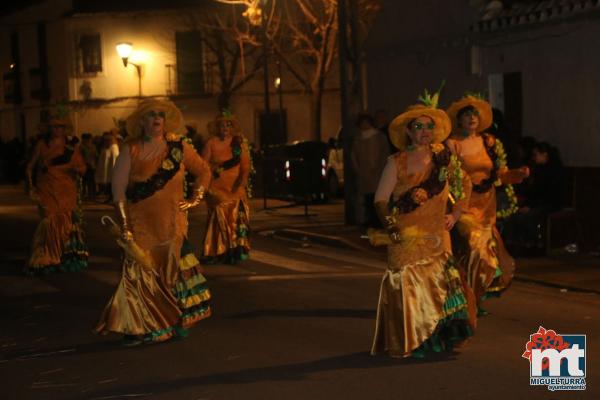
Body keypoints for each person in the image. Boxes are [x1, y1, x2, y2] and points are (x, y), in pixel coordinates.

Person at [95, 99, 212, 345]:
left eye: (160, 114)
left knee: (170, 272)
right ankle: (140, 326)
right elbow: (118, 190)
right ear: (142, 121)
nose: (157, 118)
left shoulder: (179, 146)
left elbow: (203, 171)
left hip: (173, 222)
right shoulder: (131, 149)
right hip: (141, 224)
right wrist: (125, 225)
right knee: (140, 273)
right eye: (151, 115)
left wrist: (195, 198)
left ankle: (169, 320)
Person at [370, 92, 475, 359]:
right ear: (408, 131)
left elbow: (464, 185)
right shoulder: (396, 163)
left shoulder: (443, 158)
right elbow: (381, 200)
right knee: (407, 287)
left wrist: (456, 213)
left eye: (429, 126)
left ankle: (439, 338)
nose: (425, 131)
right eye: (418, 126)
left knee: (441, 286)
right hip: (406, 236)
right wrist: (391, 227)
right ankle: (411, 339)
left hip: (438, 236)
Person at [446, 95, 529, 313]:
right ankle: (469, 298)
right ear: (459, 120)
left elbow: (500, 175)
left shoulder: (489, 142)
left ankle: (472, 296)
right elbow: (448, 177)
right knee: (475, 248)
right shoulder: (452, 144)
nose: (472, 118)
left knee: (479, 256)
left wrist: (517, 174)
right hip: (463, 205)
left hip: (486, 205)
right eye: (466, 115)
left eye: (474, 114)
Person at [25, 113, 88, 274]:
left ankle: (62, 255)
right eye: (54, 126)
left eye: (60, 126)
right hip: (46, 189)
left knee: (66, 221)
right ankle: (48, 255)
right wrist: (31, 186)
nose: (57, 130)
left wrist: (76, 168)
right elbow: (30, 167)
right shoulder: (41, 145)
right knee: (49, 220)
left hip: (66, 190)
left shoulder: (71, 147)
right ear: (49, 128)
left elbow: (82, 168)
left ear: (65, 129)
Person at [201, 110, 251, 264]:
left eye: (228, 126)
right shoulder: (211, 143)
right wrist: (213, 169)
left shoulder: (238, 143)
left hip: (234, 187)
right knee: (220, 212)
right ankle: (217, 250)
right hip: (216, 187)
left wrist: (242, 183)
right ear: (217, 128)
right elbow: (202, 165)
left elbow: (245, 166)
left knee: (236, 213)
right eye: (222, 126)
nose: (225, 128)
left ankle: (234, 249)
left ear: (232, 128)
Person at [503, 141, 566, 254]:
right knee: (512, 217)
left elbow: (549, 194)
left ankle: (532, 245)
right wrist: (526, 204)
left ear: (545, 155)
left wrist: (531, 206)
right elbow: (533, 192)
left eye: (536, 154)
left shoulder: (555, 171)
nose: (534, 158)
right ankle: (514, 244)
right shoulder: (539, 170)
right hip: (537, 203)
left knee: (527, 217)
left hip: (550, 204)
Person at [351, 113, 390, 229]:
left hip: (378, 173)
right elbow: (354, 157)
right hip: (364, 175)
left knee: (378, 198)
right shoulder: (358, 139)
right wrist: (358, 170)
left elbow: (385, 154)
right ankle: (370, 220)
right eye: (362, 123)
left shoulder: (379, 137)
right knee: (367, 199)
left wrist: (381, 168)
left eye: (366, 122)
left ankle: (378, 221)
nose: (364, 125)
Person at [95, 131, 119, 201]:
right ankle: (111, 197)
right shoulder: (108, 148)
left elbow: (113, 161)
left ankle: (112, 197)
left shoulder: (112, 147)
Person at [80, 133, 98, 199]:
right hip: (85, 166)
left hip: (91, 166)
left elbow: (96, 156)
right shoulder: (82, 147)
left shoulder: (92, 146)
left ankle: (91, 194)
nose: (89, 140)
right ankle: (84, 194)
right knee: (85, 181)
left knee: (91, 181)